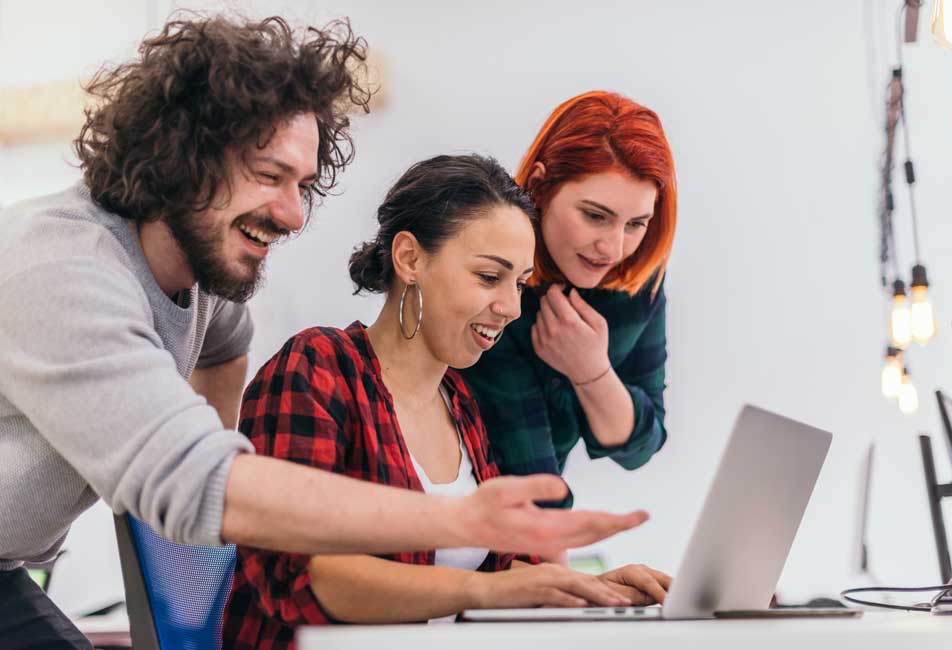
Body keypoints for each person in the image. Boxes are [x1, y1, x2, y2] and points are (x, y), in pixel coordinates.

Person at [0, 21, 645, 648]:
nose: (294, 213)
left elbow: (226, 342)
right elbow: (212, 492)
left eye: (303, 183)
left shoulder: (198, 282)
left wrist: (570, 586)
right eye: (268, 175)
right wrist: (455, 520)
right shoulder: (65, 272)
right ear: (182, 156)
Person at [222, 154, 670, 647]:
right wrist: (483, 591)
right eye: (488, 277)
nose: (511, 308)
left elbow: (501, 570)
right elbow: (300, 576)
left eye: (519, 283)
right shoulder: (317, 368)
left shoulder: (460, 403)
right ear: (410, 259)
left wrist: (587, 590)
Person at [460, 91, 677, 506]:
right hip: (459, 525)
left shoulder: (638, 285)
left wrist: (591, 370)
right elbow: (531, 489)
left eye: (636, 224)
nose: (612, 249)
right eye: (595, 216)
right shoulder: (491, 278)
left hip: (531, 540)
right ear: (540, 186)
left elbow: (641, 447)